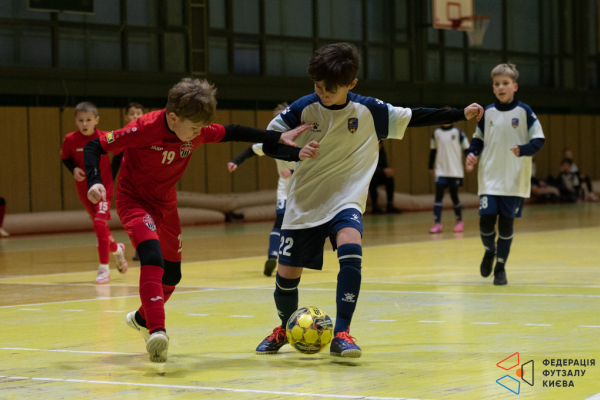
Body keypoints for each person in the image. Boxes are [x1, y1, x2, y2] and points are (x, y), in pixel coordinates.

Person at [255, 43, 483, 358]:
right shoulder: (301, 109)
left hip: (346, 198)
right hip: (305, 202)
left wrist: (460, 113)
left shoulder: (370, 111)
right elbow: (268, 143)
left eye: (331, 89)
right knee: (287, 275)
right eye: (318, 87)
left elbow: (414, 115)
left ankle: (342, 333)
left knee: (351, 246)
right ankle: (284, 328)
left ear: (351, 84)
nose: (323, 94)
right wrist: (293, 151)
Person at [84, 77, 319, 363]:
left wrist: (277, 137)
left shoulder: (195, 131)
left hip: (166, 205)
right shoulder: (144, 128)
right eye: (195, 128)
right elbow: (94, 147)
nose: (199, 133)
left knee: (173, 276)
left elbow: (233, 131)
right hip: (134, 202)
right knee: (152, 256)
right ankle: (157, 331)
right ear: (173, 117)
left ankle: (142, 319)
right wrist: (94, 180)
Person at [466, 63, 545, 286]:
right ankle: (489, 251)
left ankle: (500, 268)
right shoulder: (487, 113)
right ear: (493, 88)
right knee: (486, 222)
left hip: (514, 180)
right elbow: (478, 139)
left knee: (506, 226)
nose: (501, 87)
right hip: (489, 179)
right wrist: (472, 153)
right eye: (497, 84)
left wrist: (524, 149)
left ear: (514, 86)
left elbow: (539, 139)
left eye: (505, 83)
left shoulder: (524, 112)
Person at [60, 102, 128, 284]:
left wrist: (111, 177)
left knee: (99, 224)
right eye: (81, 120)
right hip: (84, 190)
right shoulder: (70, 139)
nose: (84, 124)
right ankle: (117, 250)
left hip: (104, 189)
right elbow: (65, 158)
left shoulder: (106, 137)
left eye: (88, 120)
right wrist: (73, 169)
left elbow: (120, 153)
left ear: (96, 120)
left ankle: (104, 269)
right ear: (75, 121)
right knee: (101, 228)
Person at [227, 103, 294, 277]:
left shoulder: (302, 140)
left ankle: (292, 256)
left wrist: (294, 172)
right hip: (285, 188)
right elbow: (253, 149)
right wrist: (236, 161)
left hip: (304, 187)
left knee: (300, 224)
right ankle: (272, 256)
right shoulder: (273, 142)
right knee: (280, 222)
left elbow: (315, 164)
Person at [428, 111, 470, 233]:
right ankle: (437, 224)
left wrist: (469, 163)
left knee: (454, 195)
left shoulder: (458, 132)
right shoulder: (436, 133)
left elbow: (467, 148)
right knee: (438, 196)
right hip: (441, 170)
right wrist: (430, 166)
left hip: (454, 171)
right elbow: (433, 151)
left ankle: (459, 221)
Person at [124, 102, 145, 262]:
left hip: (148, 184)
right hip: (130, 186)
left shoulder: (149, 134)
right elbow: (117, 160)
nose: (135, 116)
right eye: (132, 113)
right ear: (126, 117)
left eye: (138, 113)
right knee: (135, 220)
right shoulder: (123, 136)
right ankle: (139, 249)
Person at [368, 142, 401, 214]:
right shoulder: (368, 153)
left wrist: (387, 171)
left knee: (389, 178)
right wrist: (383, 170)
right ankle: (375, 206)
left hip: (378, 175)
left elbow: (385, 166)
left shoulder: (382, 152)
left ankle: (390, 204)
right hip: (369, 178)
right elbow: (368, 169)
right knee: (372, 179)